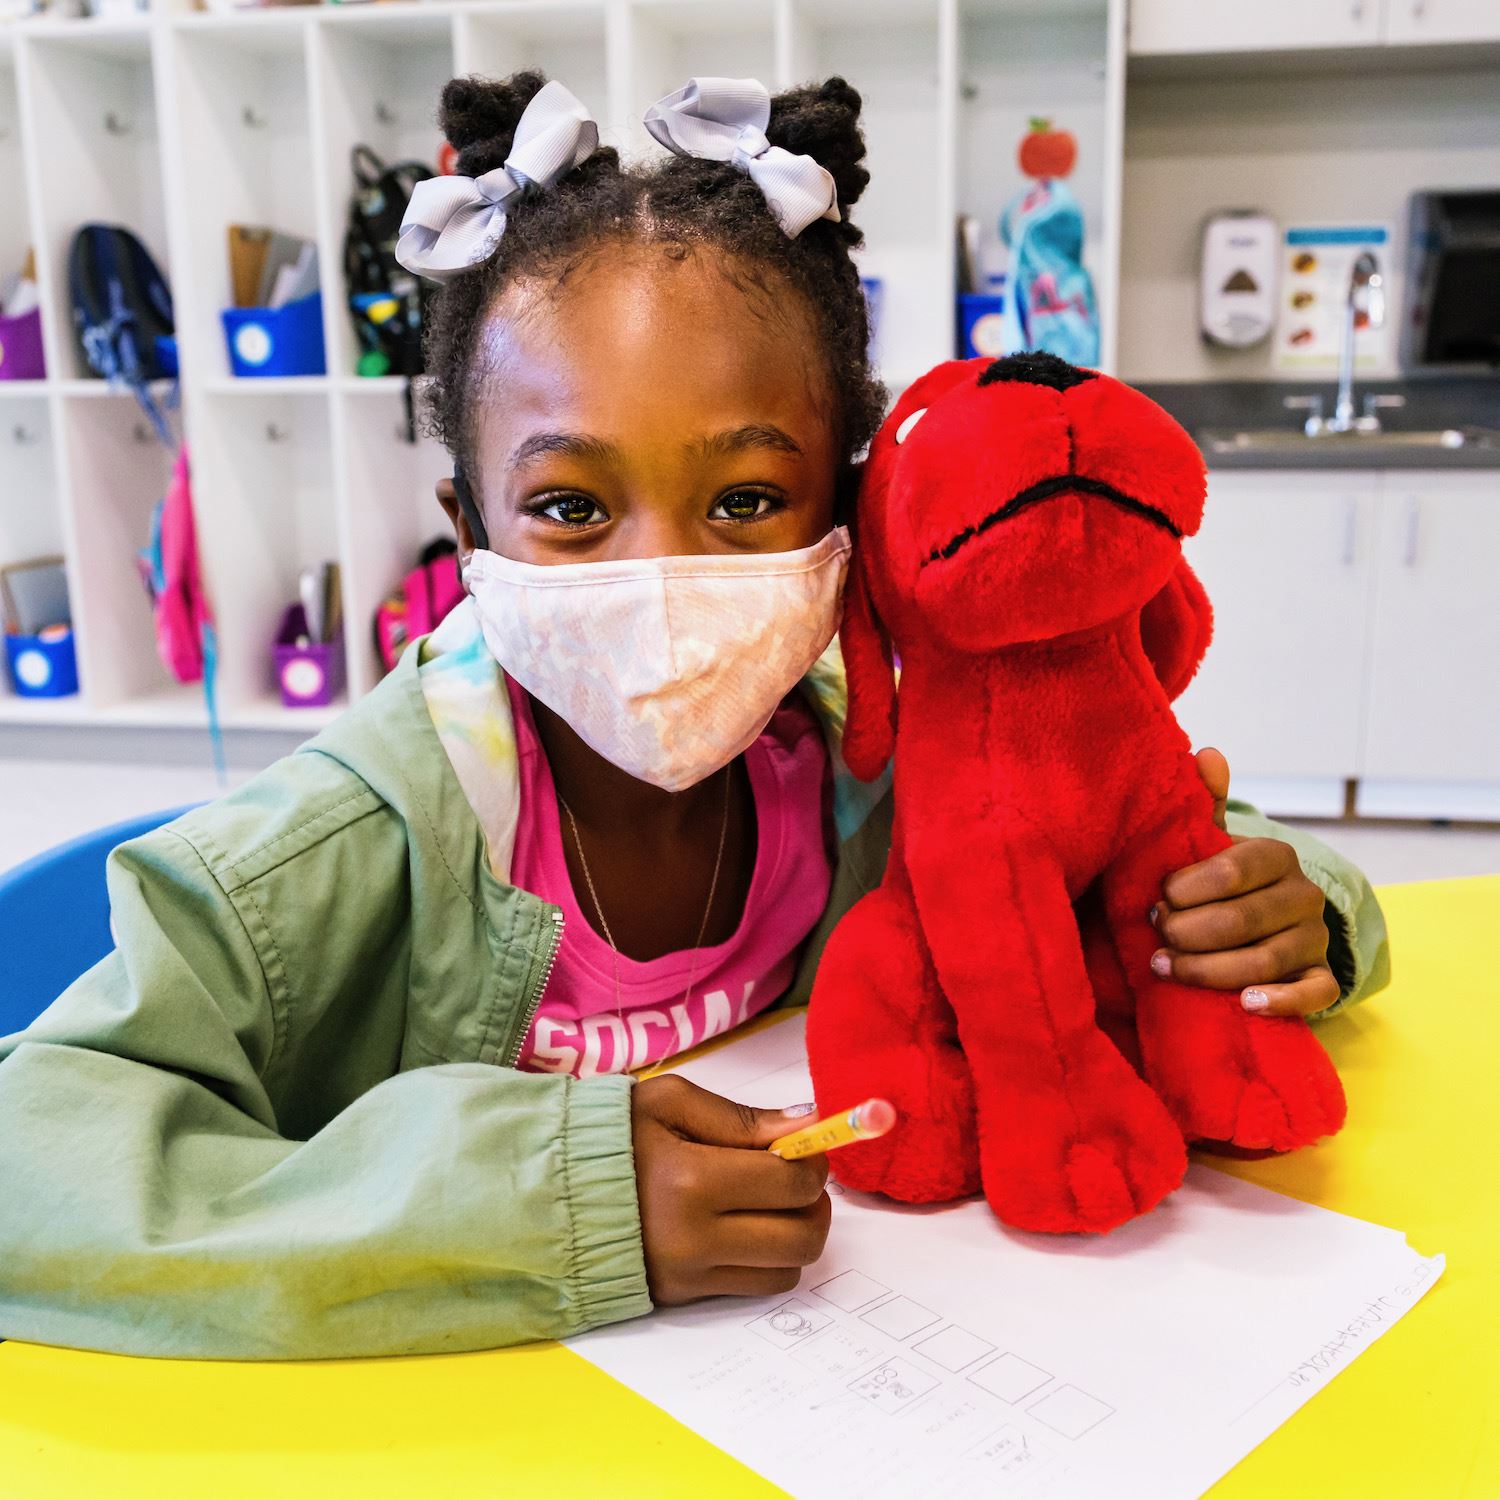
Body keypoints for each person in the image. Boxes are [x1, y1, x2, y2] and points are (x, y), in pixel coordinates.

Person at [0, 73, 1388, 1360]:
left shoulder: (884, 749)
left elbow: (1190, 834)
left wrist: (1281, 913)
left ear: (847, 517)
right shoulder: (336, 848)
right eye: (568, 510)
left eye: (742, 503)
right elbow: (30, 1156)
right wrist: (557, 1200)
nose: (658, 578)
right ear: (467, 527)